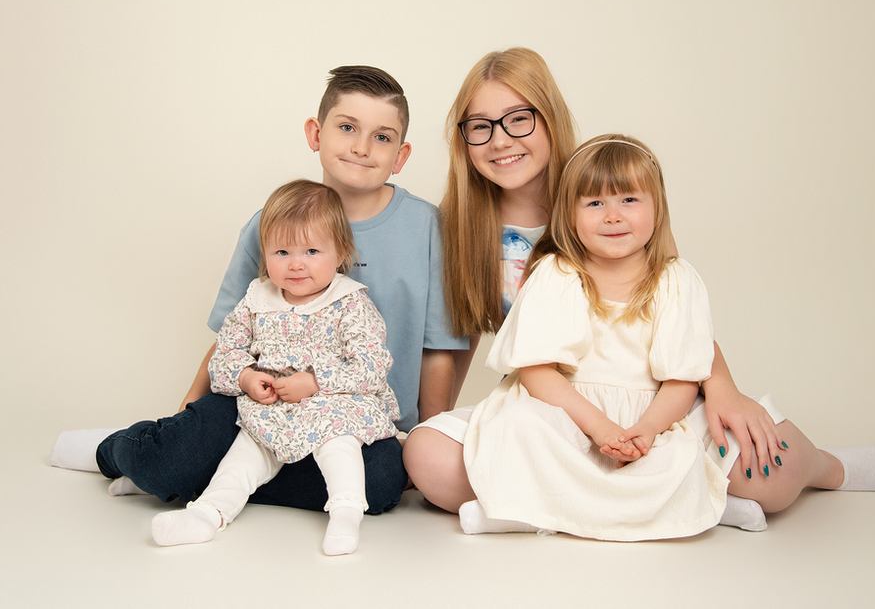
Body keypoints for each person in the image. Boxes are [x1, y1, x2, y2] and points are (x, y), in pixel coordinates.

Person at [402, 47, 875, 532]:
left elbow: (669, 302)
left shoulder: (603, 186)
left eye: (519, 119)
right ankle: (678, 504)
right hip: (554, 405)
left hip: (652, 393)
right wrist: (437, 421)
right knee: (429, 458)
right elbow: (456, 339)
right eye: (480, 126)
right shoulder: (465, 227)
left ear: (550, 118)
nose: (500, 139)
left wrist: (723, 387)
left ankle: (827, 466)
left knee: (775, 466)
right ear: (463, 139)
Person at [51, 66, 467, 518]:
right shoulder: (269, 224)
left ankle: (207, 477)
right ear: (315, 133)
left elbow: (436, 350)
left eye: (382, 137)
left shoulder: (430, 229)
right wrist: (184, 425)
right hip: (258, 411)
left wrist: (425, 440)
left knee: (382, 485)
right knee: (172, 456)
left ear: (401, 155)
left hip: (356, 422)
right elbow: (229, 336)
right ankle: (119, 451)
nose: (362, 147)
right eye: (347, 127)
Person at [461, 134, 726, 539]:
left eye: (629, 200)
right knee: (518, 423)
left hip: (649, 414)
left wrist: (648, 429)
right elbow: (538, 373)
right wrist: (599, 428)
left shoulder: (677, 281)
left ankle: (525, 512)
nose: (613, 216)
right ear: (570, 214)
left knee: (675, 456)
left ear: (658, 209)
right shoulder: (557, 274)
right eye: (595, 203)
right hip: (568, 413)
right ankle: (659, 512)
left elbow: (681, 380)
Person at [152, 179, 399, 555]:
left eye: (312, 250)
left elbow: (373, 364)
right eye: (281, 251)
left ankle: (346, 513)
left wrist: (315, 382)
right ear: (264, 254)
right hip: (272, 410)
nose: (296, 263)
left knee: (339, 446)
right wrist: (247, 377)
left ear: (341, 252)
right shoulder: (257, 299)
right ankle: (208, 513)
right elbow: (226, 353)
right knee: (245, 454)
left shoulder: (350, 303)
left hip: (335, 404)